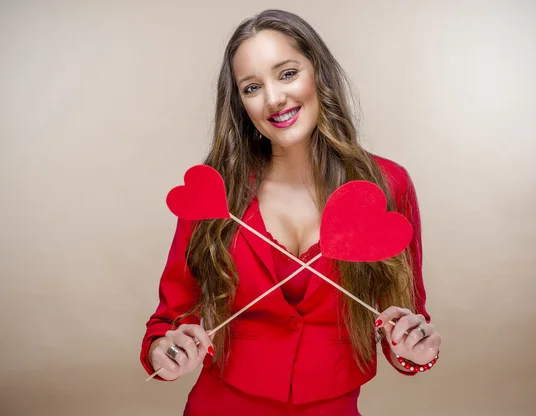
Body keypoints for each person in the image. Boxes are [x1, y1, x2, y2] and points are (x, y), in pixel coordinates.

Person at [140, 9, 441, 416]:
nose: (273, 98)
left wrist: (415, 347)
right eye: (251, 87)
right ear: (240, 104)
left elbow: (405, 326)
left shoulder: (388, 185)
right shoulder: (215, 193)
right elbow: (167, 323)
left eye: (286, 73)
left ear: (318, 72)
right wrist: (166, 353)